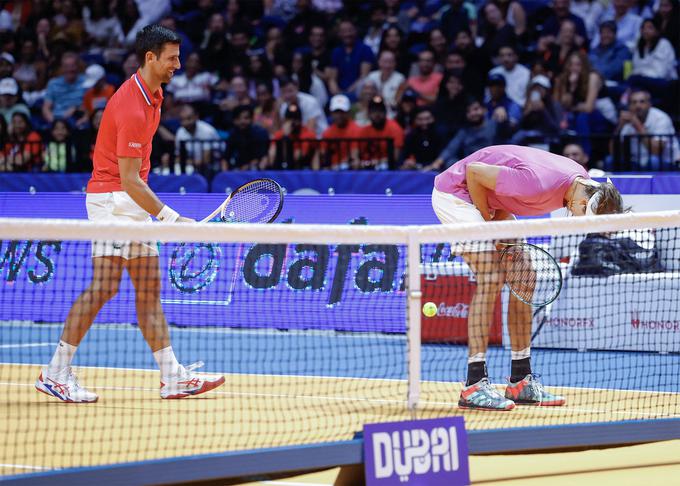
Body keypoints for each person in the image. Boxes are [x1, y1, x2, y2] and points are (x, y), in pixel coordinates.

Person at [35, 24, 225, 403]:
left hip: (132, 203)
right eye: (171, 58)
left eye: (178, 56)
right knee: (105, 286)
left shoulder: (154, 94)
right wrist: (172, 219)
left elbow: (136, 181)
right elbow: (128, 179)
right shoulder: (132, 105)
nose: (178, 64)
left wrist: (157, 216)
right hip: (112, 201)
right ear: (150, 57)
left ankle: (173, 377)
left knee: (149, 292)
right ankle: (55, 373)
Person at [431, 144, 624, 410]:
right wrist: (486, 221)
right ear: (582, 203)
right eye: (583, 217)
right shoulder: (537, 184)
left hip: (491, 199)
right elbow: (474, 173)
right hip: (458, 194)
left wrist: (493, 218)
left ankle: (520, 380)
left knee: (524, 278)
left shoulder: (580, 179)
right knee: (491, 277)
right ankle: (473, 385)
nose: (577, 219)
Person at [611, 88, 680, 169]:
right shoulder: (626, 120)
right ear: (629, 106)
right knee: (610, 160)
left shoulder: (661, 118)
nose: (638, 106)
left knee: (653, 161)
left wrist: (637, 125)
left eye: (642, 102)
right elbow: (612, 152)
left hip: (667, 162)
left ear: (649, 104)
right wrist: (619, 127)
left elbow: (656, 151)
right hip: (636, 162)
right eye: (634, 102)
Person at [225, 104, 270, 170]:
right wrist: (225, 173)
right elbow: (226, 157)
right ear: (234, 121)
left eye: (246, 118)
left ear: (252, 119)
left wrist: (246, 167)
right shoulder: (233, 134)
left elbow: (263, 157)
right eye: (239, 118)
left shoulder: (260, 133)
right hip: (239, 170)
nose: (242, 121)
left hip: (257, 171)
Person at [322, 94, 361, 169]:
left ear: (348, 112)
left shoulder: (356, 129)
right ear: (331, 113)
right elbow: (323, 155)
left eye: (342, 112)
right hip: (332, 170)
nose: (339, 115)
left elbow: (354, 154)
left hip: (349, 169)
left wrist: (341, 166)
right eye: (336, 112)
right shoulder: (328, 132)